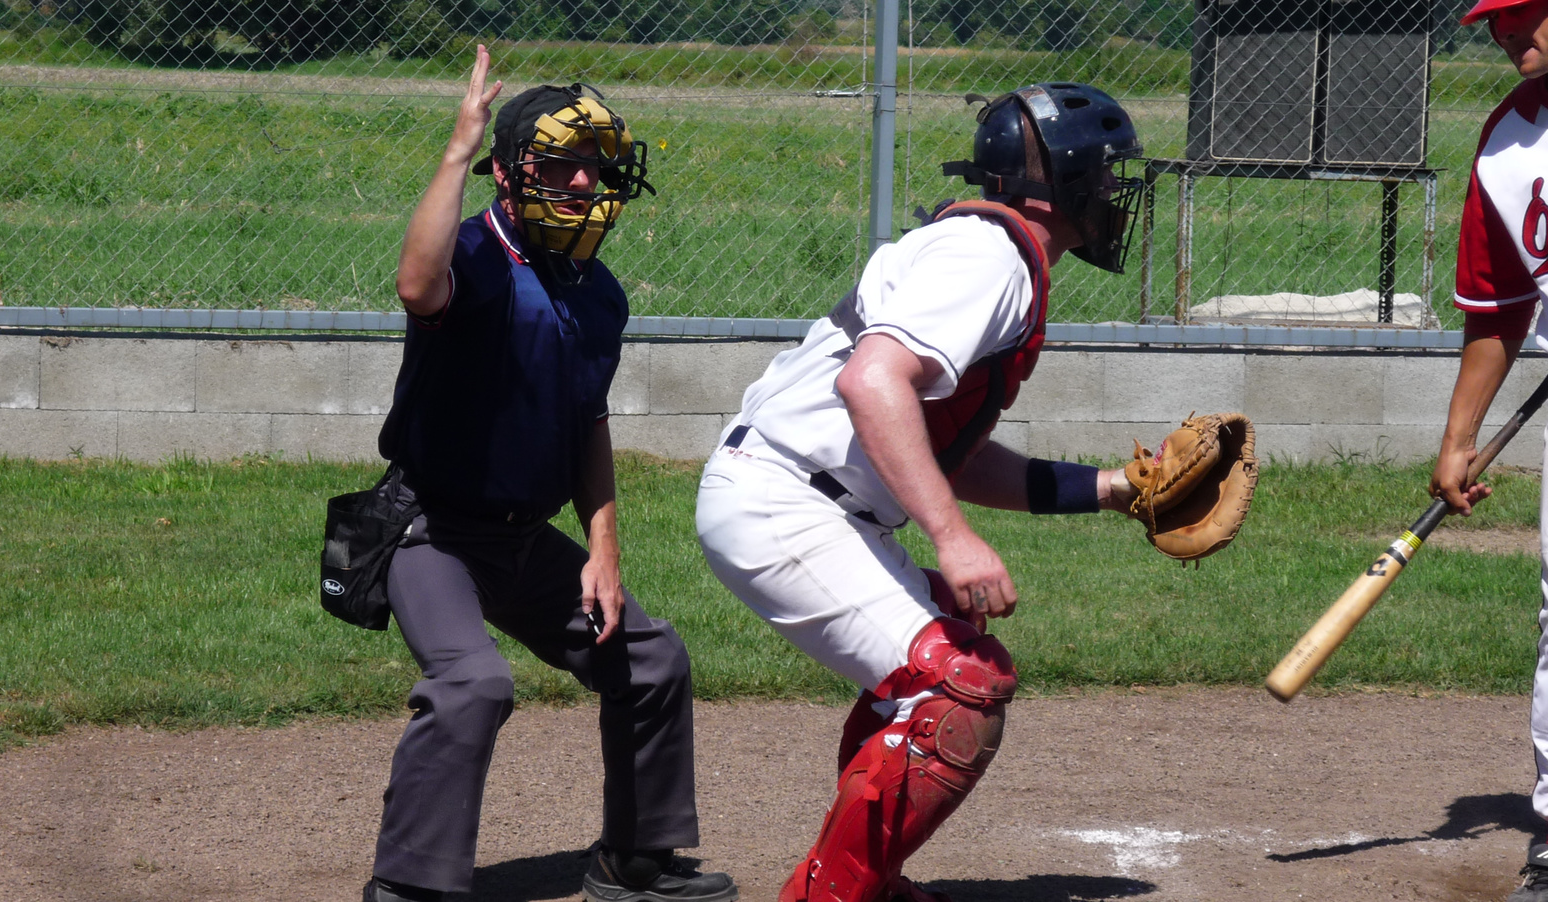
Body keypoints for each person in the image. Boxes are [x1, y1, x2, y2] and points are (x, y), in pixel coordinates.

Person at [695, 83, 1151, 902]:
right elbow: (874, 386)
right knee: (956, 687)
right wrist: (951, 535)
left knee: (948, 641)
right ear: (1066, 178)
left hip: (796, 495)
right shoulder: (990, 259)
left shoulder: (987, 252)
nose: (1118, 193)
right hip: (784, 501)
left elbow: (944, 452)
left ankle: (862, 876)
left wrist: (1113, 489)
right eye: (1110, 174)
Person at [363, 44, 737, 902]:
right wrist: (456, 149)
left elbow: (588, 423)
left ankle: (633, 859)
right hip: (434, 533)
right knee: (473, 682)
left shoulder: (597, 291)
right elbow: (417, 286)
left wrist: (603, 552)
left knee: (650, 657)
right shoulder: (477, 257)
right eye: (561, 166)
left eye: (596, 168)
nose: (583, 184)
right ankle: (408, 887)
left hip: (525, 541)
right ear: (507, 174)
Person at [1430, 1, 1548, 899]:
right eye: (1497, 19)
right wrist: (1459, 438)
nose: (1508, 31)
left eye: (1527, 11)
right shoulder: (1508, 142)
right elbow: (1500, 303)